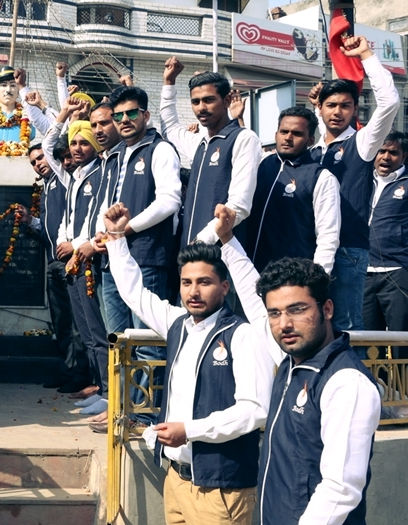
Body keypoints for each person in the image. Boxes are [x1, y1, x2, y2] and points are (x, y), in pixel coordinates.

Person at [104, 202, 273, 525]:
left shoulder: (243, 334)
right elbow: (135, 294)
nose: (193, 292)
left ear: (225, 287)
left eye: (205, 282)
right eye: (186, 283)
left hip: (221, 489)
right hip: (177, 481)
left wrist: (190, 431)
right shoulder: (178, 325)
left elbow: (255, 411)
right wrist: (117, 237)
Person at [214, 204, 380, 525]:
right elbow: (250, 290)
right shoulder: (291, 360)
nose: (284, 323)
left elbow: (341, 487)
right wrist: (228, 241)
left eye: (298, 309)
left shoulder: (345, 382)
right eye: (275, 313)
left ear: (327, 309)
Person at [91, 85, 182, 431]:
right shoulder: (116, 156)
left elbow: (169, 200)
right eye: (119, 116)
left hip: (146, 257)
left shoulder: (159, 150)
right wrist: (103, 237)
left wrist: (127, 230)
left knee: (145, 341)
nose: (124, 120)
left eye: (131, 113)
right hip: (113, 257)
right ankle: (120, 407)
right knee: (118, 339)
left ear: (145, 115)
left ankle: (144, 415)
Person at [308, 35, 400, 336]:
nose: (338, 111)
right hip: (312, 249)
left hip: (348, 249)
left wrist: (366, 55)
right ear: (319, 109)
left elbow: (389, 102)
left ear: (355, 110)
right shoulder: (312, 153)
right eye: (331, 105)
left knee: (348, 327)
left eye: (346, 106)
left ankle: (356, 383)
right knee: (315, 327)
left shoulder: (362, 144)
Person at [159, 56, 262, 248]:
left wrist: (203, 240)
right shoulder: (199, 142)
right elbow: (169, 129)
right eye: (195, 102)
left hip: (220, 252)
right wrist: (169, 82)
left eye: (208, 100)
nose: (201, 108)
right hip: (190, 250)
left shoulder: (244, 138)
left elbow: (239, 205)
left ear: (227, 100)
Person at [47, 97, 108, 415]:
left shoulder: (101, 175)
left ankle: (108, 392)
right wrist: (64, 242)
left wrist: (78, 244)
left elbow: (98, 219)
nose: (78, 148)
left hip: (89, 259)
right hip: (72, 261)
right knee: (85, 330)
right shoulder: (74, 177)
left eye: (85, 142)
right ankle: (99, 386)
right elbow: (66, 221)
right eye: (74, 143)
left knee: (97, 331)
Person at [17, 143, 89, 392]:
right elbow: (50, 227)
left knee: (75, 322)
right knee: (60, 321)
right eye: (33, 162)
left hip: (71, 260)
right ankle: (66, 370)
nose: (38, 164)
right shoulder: (48, 187)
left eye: (41, 158)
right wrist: (31, 221)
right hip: (53, 260)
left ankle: (81, 374)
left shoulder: (66, 179)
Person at [243, 106, 341, 275]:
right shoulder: (261, 164)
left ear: (310, 140)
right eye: (284, 131)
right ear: (276, 135)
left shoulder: (321, 178)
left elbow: (328, 236)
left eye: (297, 134)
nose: (288, 138)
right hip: (248, 272)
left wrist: (317, 280)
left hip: (290, 279)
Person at [363, 131, 408, 359]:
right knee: (368, 342)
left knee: (402, 340)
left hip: (397, 271)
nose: (386, 157)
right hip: (363, 273)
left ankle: (404, 392)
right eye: (381, 151)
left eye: (393, 152)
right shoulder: (362, 179)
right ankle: (380, 391)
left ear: (404, 156)